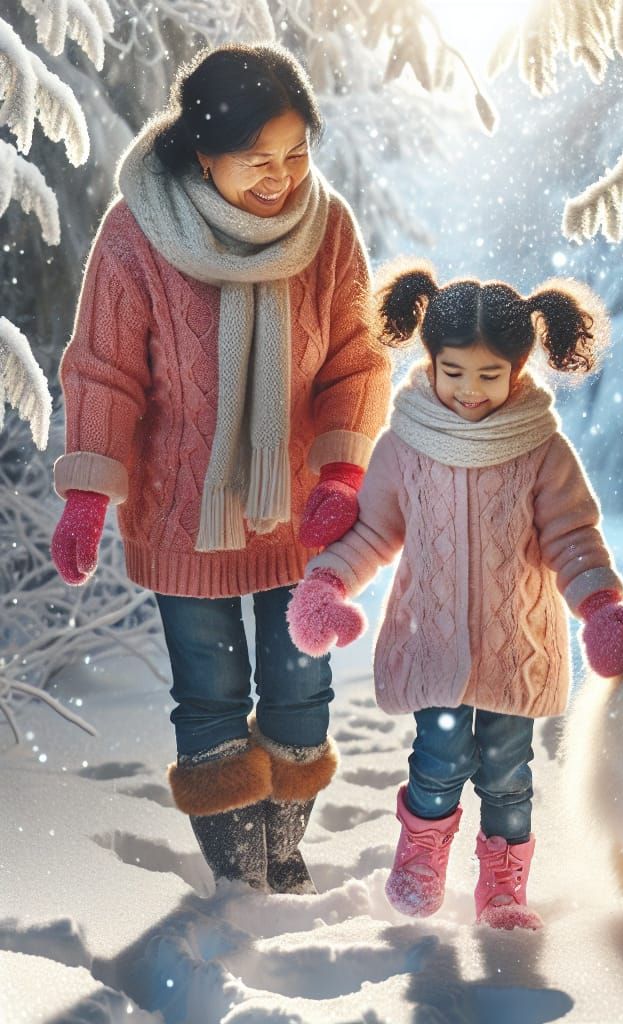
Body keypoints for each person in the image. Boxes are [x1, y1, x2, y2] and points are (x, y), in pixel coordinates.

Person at [50, 44, 391, 894]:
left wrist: (344, 476)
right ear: (204, 153)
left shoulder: (328, 227)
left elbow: (358, 361)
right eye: (256, 160)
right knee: (209, 693)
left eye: (296, 154)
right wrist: (89, 491)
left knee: (299, 686)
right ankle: (238, 872)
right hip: (182, 509)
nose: (282, 178)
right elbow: (105, 368)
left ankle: (282, 843)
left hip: (302, 511)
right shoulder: (138, 233)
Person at [286, 262, 623, 929]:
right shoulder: (405, 445)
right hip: (434, 640)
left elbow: (573, 539)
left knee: (508, 769)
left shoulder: (542, 449)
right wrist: (327, 583)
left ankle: (503, 885)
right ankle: (421, 853)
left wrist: (597, 606)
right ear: (432, 361)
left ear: (516, 370)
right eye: (455, 373)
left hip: (517, 647)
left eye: (489, 376)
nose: (470, 391)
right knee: (441, 757)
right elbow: (373, 533)